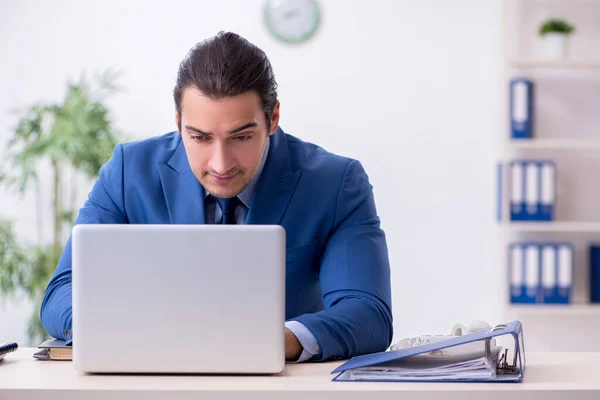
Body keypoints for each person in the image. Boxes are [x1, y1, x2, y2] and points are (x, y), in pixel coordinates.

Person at [40, 31, 393, 362]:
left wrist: (273, 340)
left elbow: (367, 313)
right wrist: (130, 331)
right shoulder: (126, 173)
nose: (220, 164)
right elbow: (62, 294)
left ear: (272, 119)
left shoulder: (336, 183)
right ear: (178, 121)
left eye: (240, 137)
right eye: (200, 138)